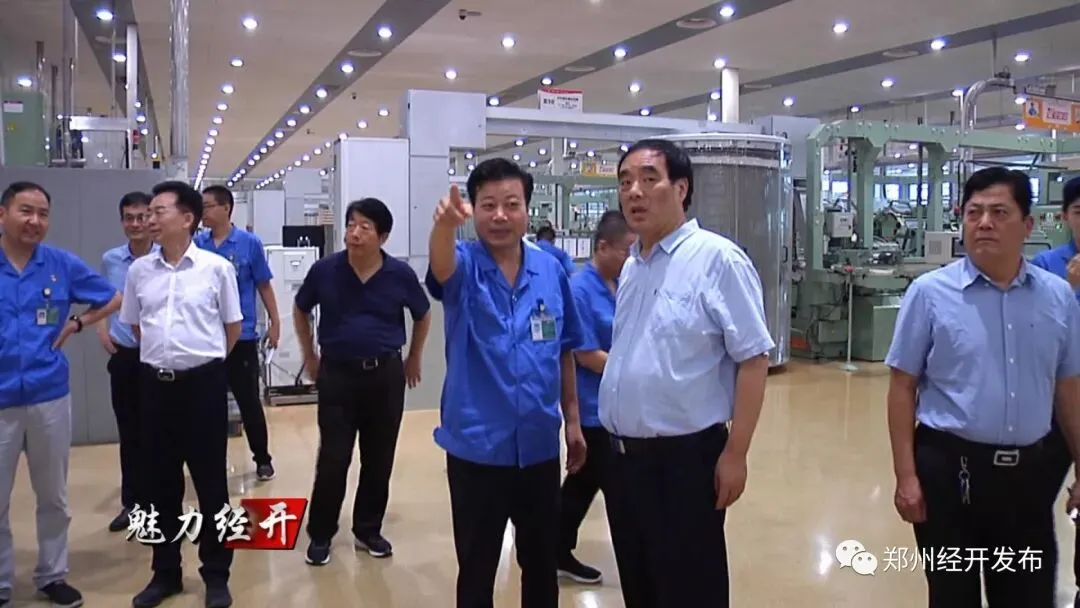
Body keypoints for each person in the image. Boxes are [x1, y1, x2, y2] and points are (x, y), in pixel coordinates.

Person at [886, 167, 1080, 607]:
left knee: (1027, 594)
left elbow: (1068, 388)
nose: (984, 223)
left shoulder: (1057, 297)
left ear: (1028, 225)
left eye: (999, 212)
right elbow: (902, 386)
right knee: (952, 595)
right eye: (973, 213)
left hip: (1028, 480)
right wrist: (906, 476)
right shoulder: (930, 294)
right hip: (948, 474)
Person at [598, 139, 774, 608]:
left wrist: (736, 454)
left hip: (683, 464)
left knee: (690, 589)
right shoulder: (633, 266)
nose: (634, 192)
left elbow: (754, 360)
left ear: (681, 189)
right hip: (623, 462)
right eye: (625, 182)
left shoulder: (717, 260)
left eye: (648, 179)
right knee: (641, 586)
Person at [425, 158, 587, 608]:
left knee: (541, 567)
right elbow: (440, 266)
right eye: (488, 205)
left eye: (511, 204)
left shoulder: (551, 271)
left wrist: (573, 421)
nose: (500, 215)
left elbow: (565, 349)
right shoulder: (464, 266)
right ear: (473, 210)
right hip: (477, 449)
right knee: (477, 568)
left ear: (527, 211)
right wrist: (443, 226)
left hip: (537, 447)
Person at [120, 181, 242, 608]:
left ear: (188, 218)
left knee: (211, 485)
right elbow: (137, 326)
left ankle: (217, 575)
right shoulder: (139, 272)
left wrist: (201, 363)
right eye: (147, 212)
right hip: (156, 387)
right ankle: (166, 572)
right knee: (160, 484)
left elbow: (232, 328)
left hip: (203, 387)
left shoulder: (216, 269)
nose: (149, 219)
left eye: (158, 211)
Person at [0, 181, 121, 608]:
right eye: (25, 211)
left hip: (48, 394)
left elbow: (112, 297)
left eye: (43, 214)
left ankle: (52, 575)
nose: (35, 221)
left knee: (53, 495)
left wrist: (78, 323)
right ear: (2, 214)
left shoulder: (60, 265)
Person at [295, 198, 431, 565]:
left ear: (382, 237)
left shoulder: (399, 274)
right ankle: (321, 533)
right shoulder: (325, 270)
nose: (354, 233)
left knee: (379, 458)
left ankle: (368, 529)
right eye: (351, 225)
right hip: (337, 375)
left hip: (385, 376)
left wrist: (414, 357)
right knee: (333, 458)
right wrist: (309, 355)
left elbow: (422, 314)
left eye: (364, 227)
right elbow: (301, 308)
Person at [556, 210, 634, 585]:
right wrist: (636, 372)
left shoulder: (621, 284)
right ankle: (638, 567)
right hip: (593, 408)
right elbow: (585, 354)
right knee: (620, 492)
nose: (630, 258)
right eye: (626, 250)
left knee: (582, 482)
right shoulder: (580, 290)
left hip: (620, 405)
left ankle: (550, 547)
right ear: (603, 247)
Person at [196, 185, 279, 481]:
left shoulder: (248, 243)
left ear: (226, 208)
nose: (203, 212)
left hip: (241, 336)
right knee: (210, 405)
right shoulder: (197, 244)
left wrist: (275, 322)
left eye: (208, 206)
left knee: (248, 401)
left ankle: (262, 458)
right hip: (206, 337)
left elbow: (263, 284)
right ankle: (212, 461)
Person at [1030, 175, 1080, 606]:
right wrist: (1071, 289)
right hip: (1054, 406)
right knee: (1033, 499)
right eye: (1079, 211)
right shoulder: (1047, 267)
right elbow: (1035, 331)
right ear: (1064, 216)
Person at [98, 191, 159, 533]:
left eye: (142, 216)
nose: (136, 224)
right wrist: (102, 331)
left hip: (158, 358)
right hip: (124, 356)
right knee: (130, 433)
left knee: (159, 433)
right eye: (129, 218)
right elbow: (103, 299)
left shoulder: (164, 259)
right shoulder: (111, 259)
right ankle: (133, 504)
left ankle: (159, 505)